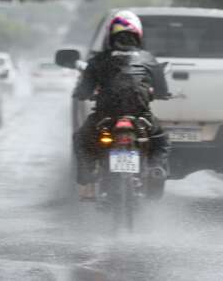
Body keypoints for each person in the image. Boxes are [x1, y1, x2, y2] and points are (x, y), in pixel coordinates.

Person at [72, 10, 170, 199]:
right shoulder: (148, 59)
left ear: (110, 35)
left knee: (81, 138)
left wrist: (83, 94)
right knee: (161, 139)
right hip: (140, 117)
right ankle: (156, 169)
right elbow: (161, 90)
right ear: (138, 35)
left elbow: (83, 91)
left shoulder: (97, 60)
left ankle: (87, 177)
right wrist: (160, 94)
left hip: (105, 117)